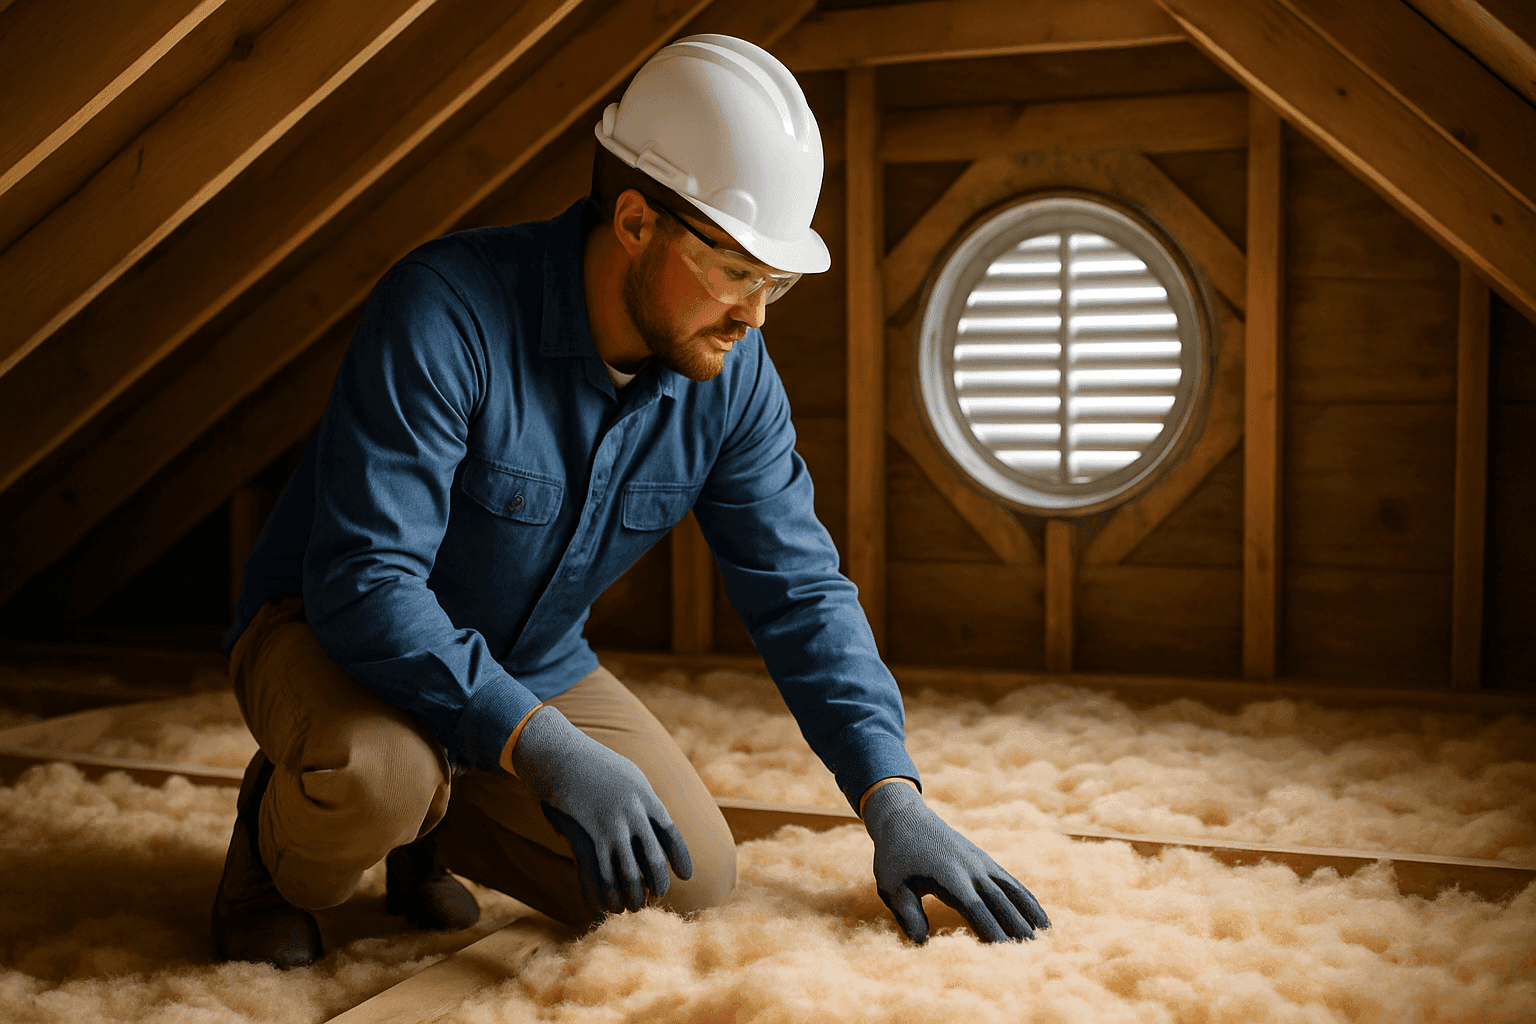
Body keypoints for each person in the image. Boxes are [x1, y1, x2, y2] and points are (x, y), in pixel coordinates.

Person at [212, 34, 1051, 969]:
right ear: (637, 222)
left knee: (688, 884)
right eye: (738, 272)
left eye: (776, 283)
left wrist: (890, 793)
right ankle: (271, 846)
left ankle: (431, 827)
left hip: (530, 660)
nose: (757, 313)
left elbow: (800, 588)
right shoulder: (445, 310)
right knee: (380, 776)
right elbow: (365, 584)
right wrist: (547, 750)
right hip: (330, 634)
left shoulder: (731, 376)